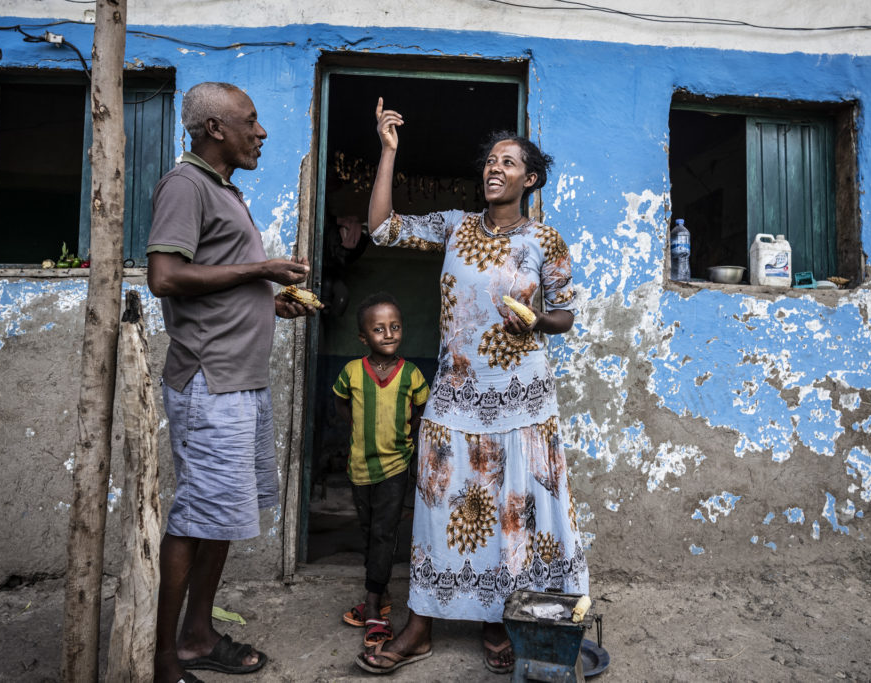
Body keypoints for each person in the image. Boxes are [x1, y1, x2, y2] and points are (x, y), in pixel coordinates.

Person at [356, 98, 590, 676]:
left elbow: (564, 315)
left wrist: (536, 320)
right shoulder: (455, 227)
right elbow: (383, 229)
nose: (494, 168)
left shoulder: (546, 242)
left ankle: (497, 618)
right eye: (489, 160)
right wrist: (389, 152)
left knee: (511, 515)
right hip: (456, 398)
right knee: (438, 510)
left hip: (521, 402)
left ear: (529, 179)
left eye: (508, 162)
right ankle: (420, 626)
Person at [146, 81, 316, 683]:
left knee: (219, 515)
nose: (261, 131)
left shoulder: (220, 190)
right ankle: (165, 660)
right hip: (209, 381)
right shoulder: (185, 186)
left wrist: (267, 303)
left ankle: (196, 636)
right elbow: (165, 276)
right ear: (215, 129)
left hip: (238, 381)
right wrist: (263, 269)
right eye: (250, 120)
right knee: (196, 515)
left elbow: (215, 284)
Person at [333, 292, 429, 649]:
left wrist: (403, 435)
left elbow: (422, 410)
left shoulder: (411, 374)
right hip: (359, 466)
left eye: (395, 327)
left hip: (394, 467)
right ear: (364, 337)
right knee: (369, 531)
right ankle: (382, 591)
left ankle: (374, 606)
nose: (388, 334)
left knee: (384, 533)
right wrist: (360, 427)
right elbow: (341, 402)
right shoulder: (351, 372)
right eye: (378, 329)